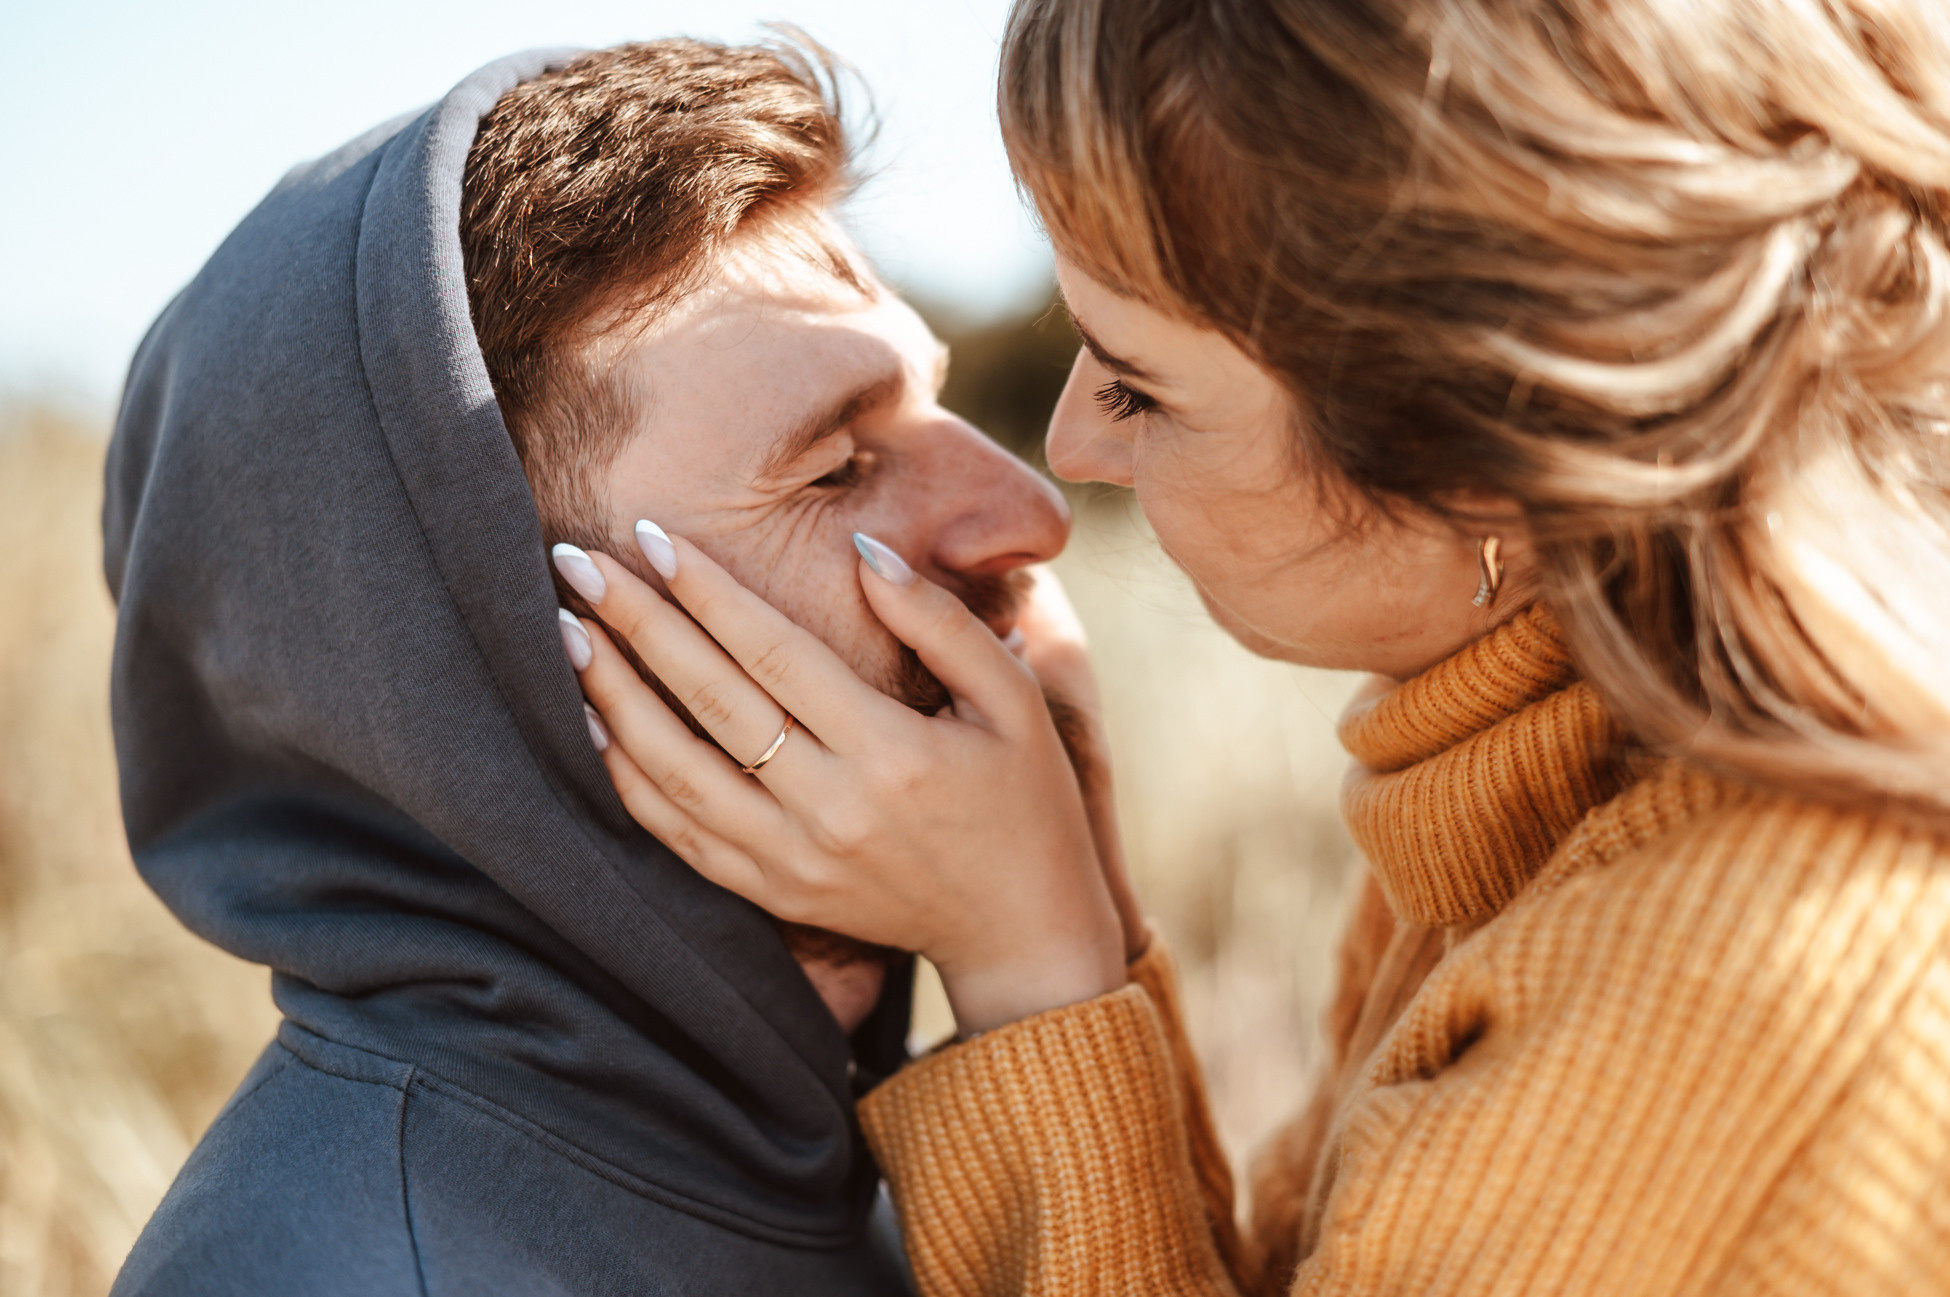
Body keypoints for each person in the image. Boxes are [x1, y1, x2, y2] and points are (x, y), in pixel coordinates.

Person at [566, 0, 1950, 1293]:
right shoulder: (1544, 804)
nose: (1062, 461)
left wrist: (1025, 966)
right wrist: (1077, 917)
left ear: (1488, 450)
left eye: (1138, 384)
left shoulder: (1729, 1015)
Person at [104, 38, 1087, 1296]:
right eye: (835, 466)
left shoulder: (847, 1148)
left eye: (935, 406)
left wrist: (1059, 977)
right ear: (484, 661)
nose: (1030, 514)